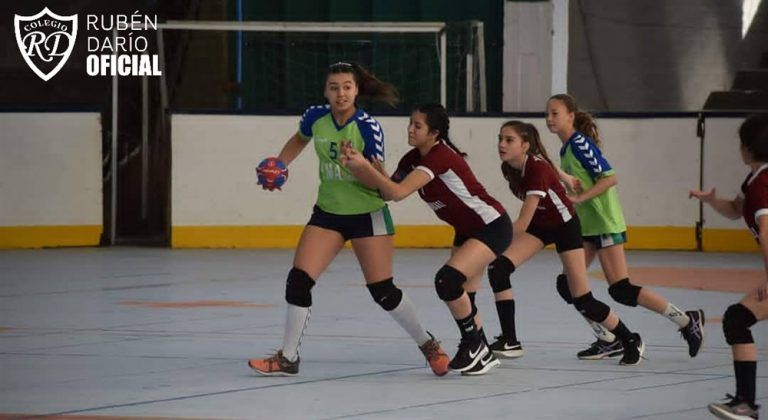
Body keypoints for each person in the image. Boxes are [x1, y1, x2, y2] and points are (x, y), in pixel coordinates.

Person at [247, 62, 449, 377]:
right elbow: (300, 138)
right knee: (298, 281)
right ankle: (288, 358)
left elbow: (380, 185)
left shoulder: (368, 127)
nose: (340, 93)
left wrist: (359, 167)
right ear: (325, 91)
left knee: (383, 291)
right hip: (328, 213)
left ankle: (428, 344)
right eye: (334, 87)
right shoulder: (315, 117)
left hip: (368, 214)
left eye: (346, 87)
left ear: (356, 91)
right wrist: (279, 164)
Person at [340, 103, 511, 376]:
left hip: (492, 226)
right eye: (410, 123)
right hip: (467, 230)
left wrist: (368, 169)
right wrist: (358, 167)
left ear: (434, 133)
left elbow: (398, 193)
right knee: (462, 294)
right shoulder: (411, 159)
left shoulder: (439, 156)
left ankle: (474, 345)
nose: (410, 129)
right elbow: (385, 191)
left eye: (417, 126)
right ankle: (482, 352)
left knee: (447, 281)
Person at [544, 93, 704, 360]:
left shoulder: (580, 144)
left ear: (570, 116)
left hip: (604, 222)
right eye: (547, 113)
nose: (549, 118)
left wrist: (579, 198)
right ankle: (607, 338)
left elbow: (609, 178)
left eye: (555, 113)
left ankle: (687, 321)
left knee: (620, 289)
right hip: (587, 226)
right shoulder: (566, 149)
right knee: (567, 284)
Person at [489, 120, 645, 365]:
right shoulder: (510, 167)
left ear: (525, 146)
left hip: (565, 228)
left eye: (509, 140)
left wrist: (487, 242)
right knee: (499, 268)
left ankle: (629, 339)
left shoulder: (537, 169)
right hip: (541, 225)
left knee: (582, 298)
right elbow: (547, 168)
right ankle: (510, 341)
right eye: (500, 138)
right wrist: (565, 177)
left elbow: (522, 223)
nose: (502, 144)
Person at [692, 113, 768, 419]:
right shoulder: (754, 180)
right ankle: (745, 403)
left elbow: (766, 232)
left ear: (747, 148)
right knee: (737, 320)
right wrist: (712, 201)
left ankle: (745, 405)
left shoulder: (762, 184)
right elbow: (736, 209)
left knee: (737, 320)